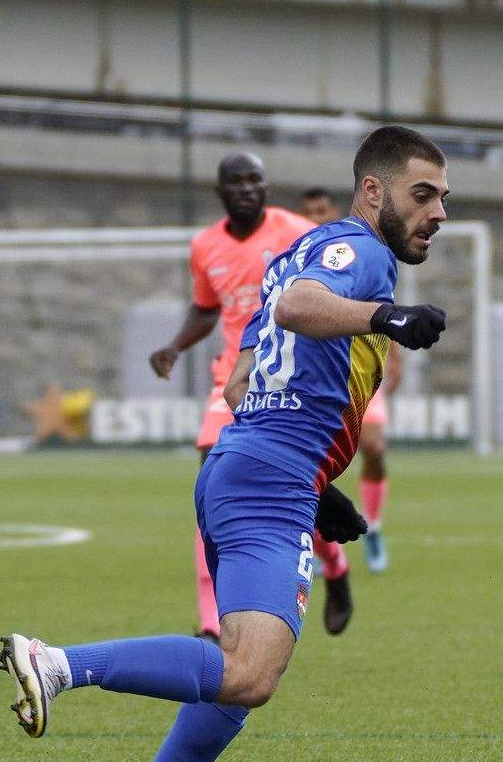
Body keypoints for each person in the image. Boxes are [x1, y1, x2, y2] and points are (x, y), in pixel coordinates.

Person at [0, 126, 452, 762]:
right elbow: (300, 308)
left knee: (238, 672)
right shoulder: (357, 254)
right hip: (265, 479)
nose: (436, 213)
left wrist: (316, 477)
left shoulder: (292, 252)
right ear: (374, 192)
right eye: (422, 194)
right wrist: (385, 316)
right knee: (249, 671)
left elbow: (243, 379)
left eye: (442, 198)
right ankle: (55, 663)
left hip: (252, 469)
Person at [147, 156, 354, 637]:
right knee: (212, 473)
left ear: (265, 186)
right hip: (233, 379)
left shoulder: (297, 231)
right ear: (219, 190)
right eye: (236, 182)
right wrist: (174, 347)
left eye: (255, 180)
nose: (246, 189)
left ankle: (335, 568)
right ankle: (210, 623)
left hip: (290, 377)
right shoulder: (204, 246)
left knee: (300, 484)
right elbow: (205, 308)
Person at [301, 186, 398, 571]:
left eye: (321, 210)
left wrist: (392, 366)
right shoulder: (307, 256)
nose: (315, 217)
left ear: (333, 211)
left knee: (373, 447)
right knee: (312, 463)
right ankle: (325, 547)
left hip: (360, 373)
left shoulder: (355, 252)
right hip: (317, 376)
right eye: (308, 211)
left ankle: (373, 527)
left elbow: (381, 309)